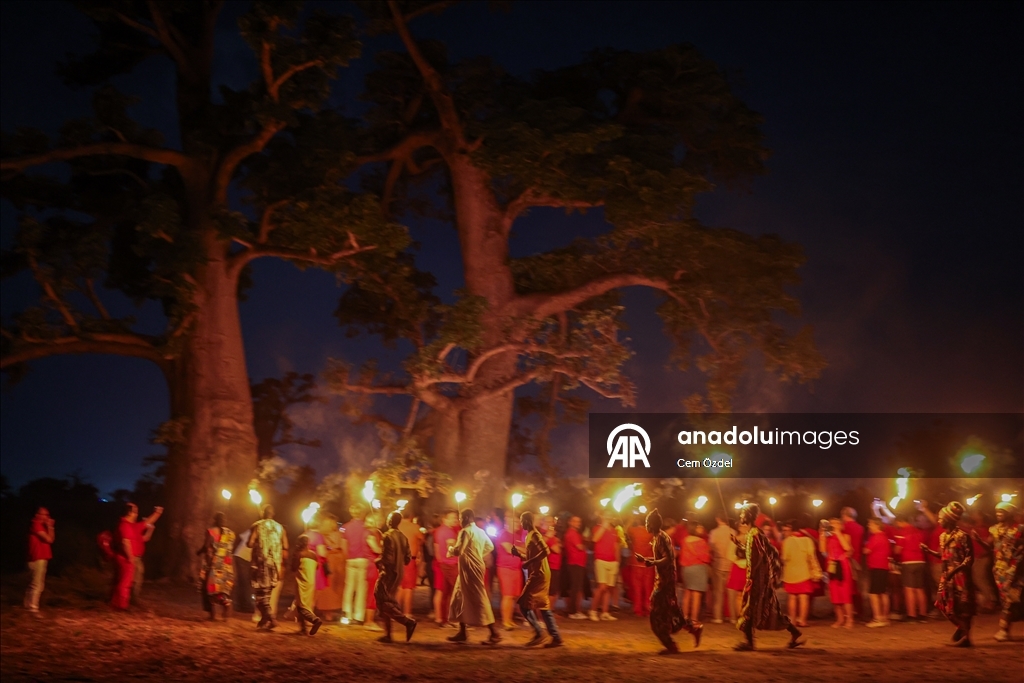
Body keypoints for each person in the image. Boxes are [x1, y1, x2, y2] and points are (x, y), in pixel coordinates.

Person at [733, 504, 803, 651]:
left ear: (749, 515)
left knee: (749, 609)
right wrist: (739, 544)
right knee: (768, 610)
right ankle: (795, 632)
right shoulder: (754, 533)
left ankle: (750, 643)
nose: (740, 517)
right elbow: (757, 551)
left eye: (742, 514)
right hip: (759, 578)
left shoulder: (754, 534)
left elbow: (759, 556)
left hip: (757, 579)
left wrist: (752, 577)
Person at [633, 509, 702, 654]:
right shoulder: (658, 537)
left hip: (666, 582)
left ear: (653, 524)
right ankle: (694, 629)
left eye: (647, 522)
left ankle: (671, 645)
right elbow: (661, 560)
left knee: (657, 615)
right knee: (671, 611)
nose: (646, 524)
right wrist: (646, 560)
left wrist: (652, 563)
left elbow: (668, 559)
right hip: (663, 580)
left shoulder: (662, 538)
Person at [921, 501, 975, 647]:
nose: (938, 521)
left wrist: (955, 572)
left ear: (949, 519)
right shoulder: (943, 537)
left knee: (962, 606)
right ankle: (961, 629)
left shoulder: (963, 536)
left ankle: (966, 637)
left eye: (940, 518)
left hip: (960, 577)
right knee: (944, 605)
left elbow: (969, 559)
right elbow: (944, 556)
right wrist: (929, 551)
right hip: (947, 575)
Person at [447, 508, 502, 645]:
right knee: (460, 597)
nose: (459, 521)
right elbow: (489, 547)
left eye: (460, 518)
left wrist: (450, 549)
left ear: (465, 518)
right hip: (472, 567)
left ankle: (494, 633)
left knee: (479, 598)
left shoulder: (465, 532)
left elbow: (459, 550)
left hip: (470, 569)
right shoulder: (480, 531)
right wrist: (477, 554)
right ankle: (462, 632)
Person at [511, 511, 563, 648]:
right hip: (539, 573)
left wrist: (528, 562)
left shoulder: (534, 534)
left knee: (523, 604)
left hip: (538, 574)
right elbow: (530, 557)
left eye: (522, 521)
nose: (521, 523)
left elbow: (546, 551)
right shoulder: (529, 535)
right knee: (543, 606)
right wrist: (519, 555)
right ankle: (555, 637)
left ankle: (539, 633)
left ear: (527, 521)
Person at [974, 502, 1023, 641]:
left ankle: (1003, 630)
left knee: (1010, 600)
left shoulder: (1019, 529)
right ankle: (1004, 629)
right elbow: (989, 546)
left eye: (1002, 511)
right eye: (997, 512)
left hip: (1017, 570)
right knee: (1007, 601)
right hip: (1000, 571)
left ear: (1010, 513)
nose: (999, 514)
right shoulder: (994, 530)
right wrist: (979, 540)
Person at [375, 511, 417, 643]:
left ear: (390, 521)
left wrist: (379, 561)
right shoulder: (403, 537)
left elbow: (387, 558)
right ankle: (388, 634)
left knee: (382, 599)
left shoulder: (387, 536)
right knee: (386, 601)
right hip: (399, 573)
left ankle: (407, 622)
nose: (387, 520)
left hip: (389, 573)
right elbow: (407, 559)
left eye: (388, 518)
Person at [111, 503, 163, 611]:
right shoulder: (125, 525)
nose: (137, 513)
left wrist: (157, 513)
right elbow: (125, 542)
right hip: (128, 558)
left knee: (130, 582)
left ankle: (125, 603)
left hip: (133, 558)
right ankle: (122, 605)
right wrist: (130, 558)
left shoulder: (133, 526)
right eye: (135, 510)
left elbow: (148, 524)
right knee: (125, 582)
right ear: (129, 512)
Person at [248, 504, 288, 629]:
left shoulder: (257, 525)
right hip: (274, 565)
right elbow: (286, 546)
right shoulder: (281, 528)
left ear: (262, 513)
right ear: (273, 514)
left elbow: (249, 543)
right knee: (267, 595)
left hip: (260, 564)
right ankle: (265, 621)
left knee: (260, 595)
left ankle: (270, 618)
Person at [781, 520, 818, 628]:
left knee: (792, 597)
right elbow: (811, 555)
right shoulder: (807, 540)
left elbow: (784, 557)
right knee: (804, 597)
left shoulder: (787, 541)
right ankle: (802, 620)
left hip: (790, 573)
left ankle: (792, 620)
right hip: (804, 572)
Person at [199, 512, 235, 621]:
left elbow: (206, 546)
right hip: (226, 566)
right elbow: (229, 549)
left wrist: (199, 552)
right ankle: (226, 606)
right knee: (223, 590)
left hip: (214, 565)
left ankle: (213, 615)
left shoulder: (211, 532)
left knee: (211, 589)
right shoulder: (231, 534)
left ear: (214, 520)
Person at [820, 516, 854, 628]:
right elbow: (822, 550)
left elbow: (847, 548)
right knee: (835, 594)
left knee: (845, 593)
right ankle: (840, 619)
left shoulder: (845, 535)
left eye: (836, 523)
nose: (833, 525)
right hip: (831, 565)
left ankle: (849, 619)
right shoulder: (828, 537)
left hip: (842, 565)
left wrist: (838, 532)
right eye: (831, 523)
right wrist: (822, 534)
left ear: (841, 525)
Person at [341, 503, 372, 625]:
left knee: (349, 588)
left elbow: (343, 545)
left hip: (351, 559)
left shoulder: (345, 527)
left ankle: (346, 614)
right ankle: (358, 616)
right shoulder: (366, 527)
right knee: (361, 589)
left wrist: (346, 558)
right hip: (363, 560)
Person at [497, 512, 525, 629]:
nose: (518, 524)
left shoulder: (517, 536)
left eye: (518, 522)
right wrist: (519, 549)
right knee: (507, 595)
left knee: (514, 596)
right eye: (515, 522)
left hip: (516, 568)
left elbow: (525, 550)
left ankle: (510, 619)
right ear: (507, 523)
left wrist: (517, 548)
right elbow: (509, 549)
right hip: (505, 568)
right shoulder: (504, 534)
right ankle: (505, 621)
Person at [291, 534, 323, 636]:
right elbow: (317, 567)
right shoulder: (313, 555)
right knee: (304, 605)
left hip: (302, 582)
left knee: (301, 607)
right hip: (310, 582)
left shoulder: (299, 554)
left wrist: (295, 555)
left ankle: (315, 620)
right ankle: (303, 628)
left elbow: (293, 568)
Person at [24, 507, 55, 613]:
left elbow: (51, 539)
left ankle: (27, 605)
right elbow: (49, 539)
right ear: (37, 515)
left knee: (33, 583)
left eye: (47, 515)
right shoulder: (36, 524)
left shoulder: (40, 526)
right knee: (37, 584)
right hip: (37, 557)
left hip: (40, 557)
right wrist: (50, 526)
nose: (47, 517)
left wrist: (49, 527)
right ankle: (33, 608)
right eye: (44, 514)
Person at [315, 513, 345, 621]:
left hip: (336, 561)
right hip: (330, 561)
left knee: (333, 586)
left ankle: (329, 611)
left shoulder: (336, 533)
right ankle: (327, 611)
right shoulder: (324, 535)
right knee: (329, 587)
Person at [130, 504, 162, 605]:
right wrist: (158, 513)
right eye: (135, 511)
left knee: (137, 580)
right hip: (133, 558)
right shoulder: (132, 527)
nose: (136, 513)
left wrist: (150, 529)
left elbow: (146, 538)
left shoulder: (135, 530)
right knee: (134, 581)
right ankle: (131, 601)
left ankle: (133, 600)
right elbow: (149, 521)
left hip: (137, 558)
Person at [680, 521, 711, 623]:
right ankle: (694, 619)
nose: (701, 529)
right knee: (697, 595)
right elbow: (706, 558)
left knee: (687, 593)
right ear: (695, 528)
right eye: (699, 527)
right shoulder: (701, 542)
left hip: (686, 569)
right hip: (698, 569)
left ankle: (684, 616)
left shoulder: (684, 540)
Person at [864, 517, 892, 627]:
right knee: (883, 593)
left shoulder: (876, 537)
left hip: (876, 567)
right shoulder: (884, 537)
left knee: (874, 594)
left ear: (876, 525)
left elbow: (867, 550)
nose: (869, 527)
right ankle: (885, 617)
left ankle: (878, 617)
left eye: (870, 524)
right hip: (884, 567)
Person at [433, 509, 460, 627]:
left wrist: (440, 561)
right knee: (455, 592)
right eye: (452, 518)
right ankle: (453, 619)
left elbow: (436, 549)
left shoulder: (438, 530)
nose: (455, 520)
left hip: (442, 563)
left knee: (443, 592)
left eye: (456, 517)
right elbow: (451, 549)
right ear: (445, 519)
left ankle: (440, 618)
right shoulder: (449, 532)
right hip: (450, 564)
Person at [398, 510, 425, 617]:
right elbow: (422, 539)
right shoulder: (414, 527)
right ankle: (407, 612)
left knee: (400, 586)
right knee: (408, 587)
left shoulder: (396, 526)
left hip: (397, 560)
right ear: (412, 515)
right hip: (409, 560)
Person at [707, 514, 733, 624]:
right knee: (731, 593)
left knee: (718, 592)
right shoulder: (733, 532)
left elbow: (711, 547)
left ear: (718, 519)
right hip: (730, 563)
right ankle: (733, 617)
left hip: (718, 563)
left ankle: (718, 617)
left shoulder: (714, 532)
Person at [627, 514, 655, 617]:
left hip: (636, 564)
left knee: (637, 588)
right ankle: (648, 609)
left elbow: (626, 529)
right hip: (648, 563)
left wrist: (631, 519)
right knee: (648, 588)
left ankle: (637, 609)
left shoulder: (634, 531)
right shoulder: (651, 532)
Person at [840, 506, 865, 619]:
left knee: (847, 586)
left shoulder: (844, 527)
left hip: (847, 558)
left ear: (844, 516)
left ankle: (847, 611)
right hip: (858, 559)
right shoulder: (860, 528)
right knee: (857, 586)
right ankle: (859, 610)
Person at [363, 511, 384, 632]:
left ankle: (372, 619)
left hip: (377, 565)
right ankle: (368, 621)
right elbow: (376, 549)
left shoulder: (377, 533)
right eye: (379, 519)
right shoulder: (368, 534)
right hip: (372, 566)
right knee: (372, 594)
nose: (381, 522)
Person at [564, 515, 588, 619]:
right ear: (570, 522)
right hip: (575, 563)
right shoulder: (572, 533)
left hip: (577, 563)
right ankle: (573, 612)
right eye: (575, 521)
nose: (578, 523)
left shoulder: (573, 533)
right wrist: (585, 544)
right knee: (575, 588)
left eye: (579, 521)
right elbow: (579, 546)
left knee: (576, 588)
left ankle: (574, 610)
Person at [725, 523, 748, 624]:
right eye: (742, 525)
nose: (743, 527)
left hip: (749, 568)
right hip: (738, 568)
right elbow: (729, 554)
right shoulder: (734, 539)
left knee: (748, 595)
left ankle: (747, 616)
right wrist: (738, 561)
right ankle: (741, 616)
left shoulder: (753, 539)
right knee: (739, 594)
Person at [542, 516, 563, 610]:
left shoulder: (553, 535)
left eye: (551, 522)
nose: (550, 523)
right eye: (547, 521)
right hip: (549, 566)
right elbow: (557, 549)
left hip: (556, 566)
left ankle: (550, 613)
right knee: (548, 593)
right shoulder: (546, 535)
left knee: (554, 592)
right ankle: (543, 616)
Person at [233, 527, 255, 613]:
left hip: (240, 556)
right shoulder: (257, 532)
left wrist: (234, 550)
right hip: (243, 557)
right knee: (246, 582)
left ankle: (239, 604)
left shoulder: (251, 530)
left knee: (242, 581)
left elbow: (239, 537)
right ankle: (246, 605)